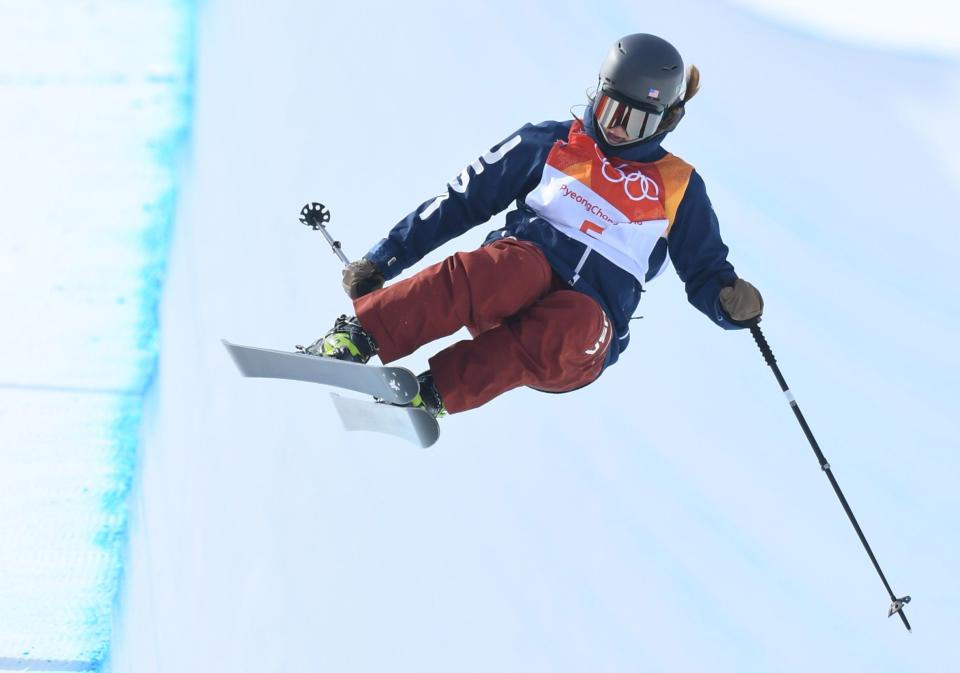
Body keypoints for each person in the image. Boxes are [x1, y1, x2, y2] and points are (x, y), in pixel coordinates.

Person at [300, 33, 763, 419]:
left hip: (581, 337)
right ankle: (358, 337)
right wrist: (384, 259)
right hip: (515, 278)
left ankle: (431, 396)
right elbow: (460, 201)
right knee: (510, 268)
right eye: (609, 109)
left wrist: (729, 301)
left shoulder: (679, 186)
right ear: (596, 94)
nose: (617, 128)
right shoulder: (552, 141)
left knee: (578, 322)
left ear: (665, 119)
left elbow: (705, 270)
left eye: (635, 119)